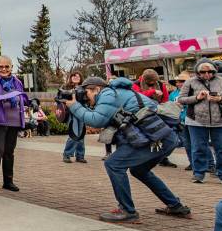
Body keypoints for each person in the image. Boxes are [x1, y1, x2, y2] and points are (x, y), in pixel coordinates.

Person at [64, 76, 191, 222]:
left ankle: (127, 211)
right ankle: (175, 206)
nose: (85, 98)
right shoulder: (116, 93)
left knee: (113, 164)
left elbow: (97, 120)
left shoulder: (108, 94)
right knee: (139, 170)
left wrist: (74, 106)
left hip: (156, 138)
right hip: (163, 138)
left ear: (96, 89)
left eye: (86, 93)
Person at [177, 61, 222, 184]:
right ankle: (198, 173)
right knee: (198, 148)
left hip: (220, 120)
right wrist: (197, 97)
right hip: (196, 120)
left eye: (210, 71)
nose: (207, 74)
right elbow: (181, 99)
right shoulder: (190, 82)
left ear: (214, 71)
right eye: (203, 72)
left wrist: (219, 98)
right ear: (198, 72)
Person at [0, 55, 26, 193]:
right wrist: (1, 98)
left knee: (9, 152)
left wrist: (30, 101)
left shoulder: (17, 82)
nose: (4, 69)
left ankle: (8, 181)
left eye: (7, 66)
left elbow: (22, 97)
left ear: (11, 67)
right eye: (1, 66)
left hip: (14, 121)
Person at [133, 69, 176, 168]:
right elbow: (137, 96)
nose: (153, 83)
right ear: (145, 79)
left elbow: (165, 99)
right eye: (150, 82)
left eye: (154, 81)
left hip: (159, 112)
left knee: (162, 135)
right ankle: (144, 158)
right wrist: (152, 91)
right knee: (146, 137)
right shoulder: (136, 84)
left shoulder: (160, 84)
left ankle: (163, 158)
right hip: (142, 114)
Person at [59, 72, 87, 163]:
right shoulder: (65, 87)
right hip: (71, 113)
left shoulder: (84, 88)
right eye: (74, 76)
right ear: (71, 77)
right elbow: (58, 98)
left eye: (78, 76)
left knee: (81, 134)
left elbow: (87, 99)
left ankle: (80, 155)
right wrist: (67, 101)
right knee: (74, 133)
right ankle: (67, 154)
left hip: (82, 112)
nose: (76, 77)